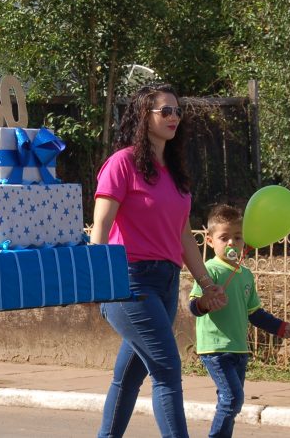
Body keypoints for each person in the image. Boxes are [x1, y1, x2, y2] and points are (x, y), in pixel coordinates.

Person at [90, 82, 227, 438]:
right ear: (143, 115)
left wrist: (206, 283)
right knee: (167, 371)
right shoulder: (121, 164)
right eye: (165, 111)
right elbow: (101, 225)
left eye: (177, 111)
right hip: (129, 282)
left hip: (165, 284)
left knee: (127, 378)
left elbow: (183, 235)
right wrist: (96, 281)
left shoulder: (175, 173)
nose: (173, 117)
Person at [188, 204, 290, 438]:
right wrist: (206, 302)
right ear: (210, 241)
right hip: (215, 349)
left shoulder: (246, 275)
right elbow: (194, 307)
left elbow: (254, 313)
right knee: (232, 400)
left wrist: (280, 327)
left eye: (237, 238)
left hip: (239, 349)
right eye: (224, 238)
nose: (231, 243)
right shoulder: (208, 271)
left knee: (229, 402)